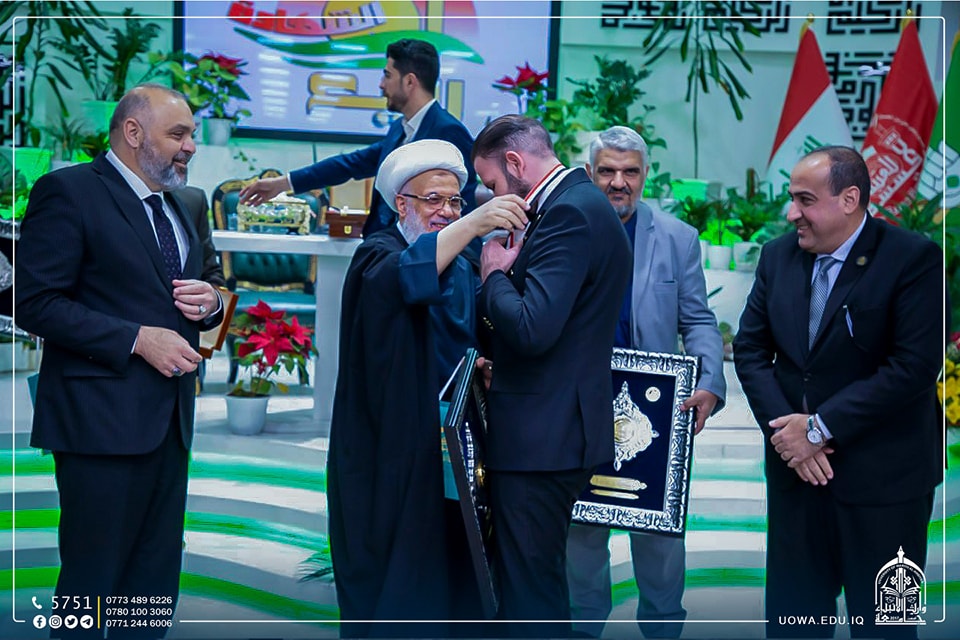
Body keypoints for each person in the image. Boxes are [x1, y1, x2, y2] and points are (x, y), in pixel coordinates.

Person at [15, 84, 224, 638]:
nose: (190, 146)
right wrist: (135, 339)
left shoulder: (188, 202)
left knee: (153, 584)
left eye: (191, 135)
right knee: (91, 583)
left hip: (171, 424)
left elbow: (213, 283)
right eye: (177, 134)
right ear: (133, 132)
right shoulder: (69, 192)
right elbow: (34, 302)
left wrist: (213, 301)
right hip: (98, 423)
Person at [733, 146, 943, 639]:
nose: (792, 213)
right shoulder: (777, 256)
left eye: (805, 200)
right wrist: (790, 437)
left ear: (849, 199)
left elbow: (913, 367)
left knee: (887, 628)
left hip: (886, 485)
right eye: (792, 199)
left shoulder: (913, 259)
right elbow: (750, 349)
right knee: (795, 623)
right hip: (797, 481)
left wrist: (818, 429)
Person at [326, 139, 527, 637]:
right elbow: (408, 278)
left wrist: (481, 363)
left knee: (455, 564)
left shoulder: (462, 263)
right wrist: (474, 224)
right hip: (389, 449)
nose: (446, 211)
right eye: (432, 200)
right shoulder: (377, 255)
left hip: (451, 444)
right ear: (402, 205)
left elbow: (467, 336)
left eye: (455, 201)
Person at [470, 115, 632, 637]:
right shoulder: (575, 204)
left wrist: (493, 274)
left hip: (544, 436)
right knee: (535, 581)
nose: (491, 196)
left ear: (516, 163)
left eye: (492, 182)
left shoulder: (569, 213)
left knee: (530, 593)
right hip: (552, 430)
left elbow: (532, 327)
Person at [565, 126, 726, 638]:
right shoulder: (563, 227)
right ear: (589, 174)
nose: (619, 182)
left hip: (657, 410)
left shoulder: (678, 238)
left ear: (645, 175)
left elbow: (697, 320)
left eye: (630, 171)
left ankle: (662, 627)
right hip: (579, 403)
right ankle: (583, 628)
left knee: (659, 536)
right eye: (607, 171)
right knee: (582, 527)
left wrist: (710, 381)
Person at [238, 38, 477, 238]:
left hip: (425, 259)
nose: (381, 85)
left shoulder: (448, 131)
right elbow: (351, 164)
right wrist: (284, 184)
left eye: (387, 75)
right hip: (385, 248)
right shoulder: (399, 129)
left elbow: (462, 209)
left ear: (409, 81)